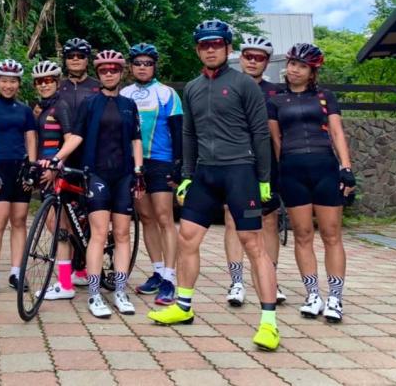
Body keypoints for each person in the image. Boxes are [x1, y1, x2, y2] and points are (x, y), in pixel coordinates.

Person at [147, 19, 281, 352]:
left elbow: (260, 133)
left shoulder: (244, 84)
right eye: (205, 45)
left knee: (253, 244)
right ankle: (183, 306)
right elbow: (188, 134)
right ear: (198, 50)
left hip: (240, 172)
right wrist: (187, 175)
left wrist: (264, 180)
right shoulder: (192, 88)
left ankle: (269, 323)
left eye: (217, 44)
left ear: (227, 48)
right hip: (204, 175)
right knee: (187, 238)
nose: (211, 50)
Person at [52, 50, 144, 318]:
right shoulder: (90, 103)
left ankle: (120, 291)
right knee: (99, 234)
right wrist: (57, 158)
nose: (109, 74)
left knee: (123, 234)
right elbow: (76, 136)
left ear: (121, 72)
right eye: (104, 70)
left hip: (124, 175)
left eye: (114, 69)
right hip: (97, 174)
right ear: (99, 74)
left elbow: (136, 139)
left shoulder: (129, 104)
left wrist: (139, 170)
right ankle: (94, 294)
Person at [268, 43, 355, 323]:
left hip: (325, 168)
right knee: (302, 234)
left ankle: (335, 298)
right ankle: (313, 295)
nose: (295, 69)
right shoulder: (276, 100)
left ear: (312, 71)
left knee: (331, 234)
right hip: (292, 170)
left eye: (302, 66)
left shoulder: (325, 96)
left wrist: (346, 168)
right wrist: (280, 173)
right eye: (292, 63)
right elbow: (276, 140)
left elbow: (337, 133)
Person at [222, 36, 287, 307]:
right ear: (240, 58)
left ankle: (270, 279)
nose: (252, 61)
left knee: (269, 221)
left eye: (258, 57)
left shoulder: (276, 92)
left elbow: (281, 133)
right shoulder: (228, 85)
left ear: (267, 62)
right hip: (234, 160)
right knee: (232, 219)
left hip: (266, 162)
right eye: (248, 56)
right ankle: (236, 281)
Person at [120, 43, 182, 306]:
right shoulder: (124, 93)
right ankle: (157, 272)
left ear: (155, 66)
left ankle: (170, 277)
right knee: (146, 218)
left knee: (164, 217)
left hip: (161, 161)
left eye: (148, 63)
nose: (142, 67)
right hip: (134, 163)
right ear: (131, 67)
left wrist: (179, 164)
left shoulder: (167, 93)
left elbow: (178, 130)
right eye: (137, 63)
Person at [0, 59, 38, 298]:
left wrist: (32, 167)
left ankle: (16, 272)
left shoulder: (25, 110)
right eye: (4, 81)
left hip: (20, 168)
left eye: (13, 81)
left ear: (18, 84)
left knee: (20, 220)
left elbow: (31, 139)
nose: (8, 85)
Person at [31, 60, 77, 301]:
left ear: (57, 83)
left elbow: (69, 140)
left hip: (57, 172)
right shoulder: (41, 108)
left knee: (59, 227)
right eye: (39, 81)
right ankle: (73, 271)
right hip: (43, 172)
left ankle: (66, 283)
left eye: (49, 80)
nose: (44, 85)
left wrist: (57, 166)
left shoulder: (61, 106)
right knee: (57, 226)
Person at [57, 37, 100, 285]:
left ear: (87, 59)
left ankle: (84, 264)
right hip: (64, 156)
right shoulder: (57, 86)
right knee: (62, 215)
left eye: (80, 56)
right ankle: (70, 261)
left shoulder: (97, 86)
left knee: (91, 213)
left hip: (91, 156)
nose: (75, 59)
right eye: (71, 56)